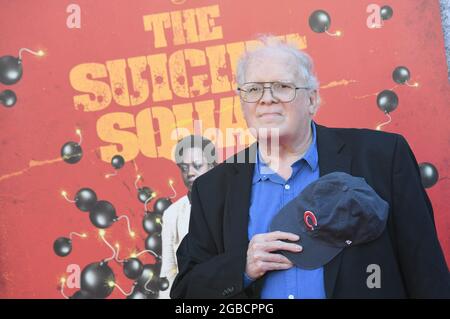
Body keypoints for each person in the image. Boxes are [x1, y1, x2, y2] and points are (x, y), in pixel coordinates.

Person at [170, 36, 450, 298]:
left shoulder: (382, 158)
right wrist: (240, 267)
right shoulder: (213, 188)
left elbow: (426, 274)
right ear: (243, 104)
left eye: (282, 86)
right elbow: (185, 292)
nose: (267, 98)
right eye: (254, 89)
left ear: (313, 99)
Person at [159, 135, 216, 299]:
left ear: (212, 165)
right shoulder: (172, 213)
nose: (190, 173)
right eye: (184, 168)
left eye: (197, 165)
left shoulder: (233, 202)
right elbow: (168, 270)